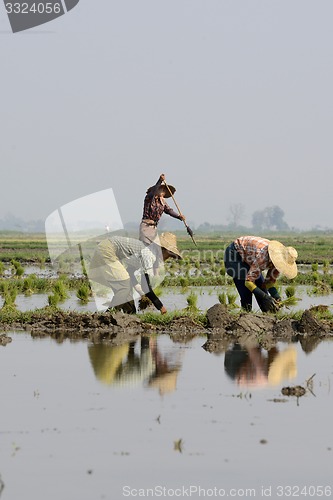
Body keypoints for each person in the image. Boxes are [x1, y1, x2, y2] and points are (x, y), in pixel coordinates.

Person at [88, 232, 182, 314]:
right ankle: (107, 316)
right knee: (124, 287)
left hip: (109, 249)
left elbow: (130, 272)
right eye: (169, 255)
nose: (168, 258)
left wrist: (139, 290)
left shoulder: (149, 252)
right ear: (163, 249)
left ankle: (129, 315)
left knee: (129, 300)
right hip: (107, 250)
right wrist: (161, 307)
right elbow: (146, 287)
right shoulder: (149, 255)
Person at [224, 236, 298, 312]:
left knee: (262, 290)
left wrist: (276, 296)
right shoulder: (263, 257)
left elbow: (269, 283)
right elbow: (248, 282)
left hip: (249, 256)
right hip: (234, 254)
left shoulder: (278, 265)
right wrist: (265, 297)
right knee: (247, 292)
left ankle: (267, 314)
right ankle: (245, 314)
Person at [139, 173, 186, 244]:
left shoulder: (162, 201)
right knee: (146, 247)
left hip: (154, 227)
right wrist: (159, 181)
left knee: (156, 249)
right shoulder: (149, 198)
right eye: (161, 189)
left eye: (164, 190)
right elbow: (153, 191)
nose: (163, 191)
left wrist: (179, 217)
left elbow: (169, 211)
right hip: (146, 226)